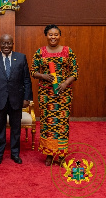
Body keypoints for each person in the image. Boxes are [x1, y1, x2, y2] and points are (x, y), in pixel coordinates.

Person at [30, 24, 79, 166]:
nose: (53, 37)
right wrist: (44, 76)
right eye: (50, 34)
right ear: (46, 35)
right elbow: (33, 71)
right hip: (46, 94)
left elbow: (75, 72)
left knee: (62, 124)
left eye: (56, 34)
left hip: (64, 94)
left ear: (60, 35)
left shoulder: (68, 51)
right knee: (48, 124)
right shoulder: (40, 52)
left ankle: (61, 155)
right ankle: (49, 154)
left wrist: (64, 84)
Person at [0, 34, 33, 165]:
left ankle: (15, 154)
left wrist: (27, 97)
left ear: (13, 44)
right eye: (3, 43)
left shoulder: (21, 58)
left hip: (16, 99)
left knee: (16, 128)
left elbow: (26, 80)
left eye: (9, 43)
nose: (6, 46)